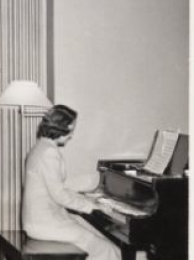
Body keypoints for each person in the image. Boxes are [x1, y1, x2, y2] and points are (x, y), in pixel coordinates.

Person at [22, 104, 120, 260]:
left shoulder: (41, 147)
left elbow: (57, 187)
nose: (71, 135)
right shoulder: (49, 152)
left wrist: (89, 198)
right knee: (106, 249)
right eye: (71, 129)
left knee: (103, 239)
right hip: (44, 223)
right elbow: (60, 195)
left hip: (44, 218)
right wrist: (93, 206)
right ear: (60, 129)